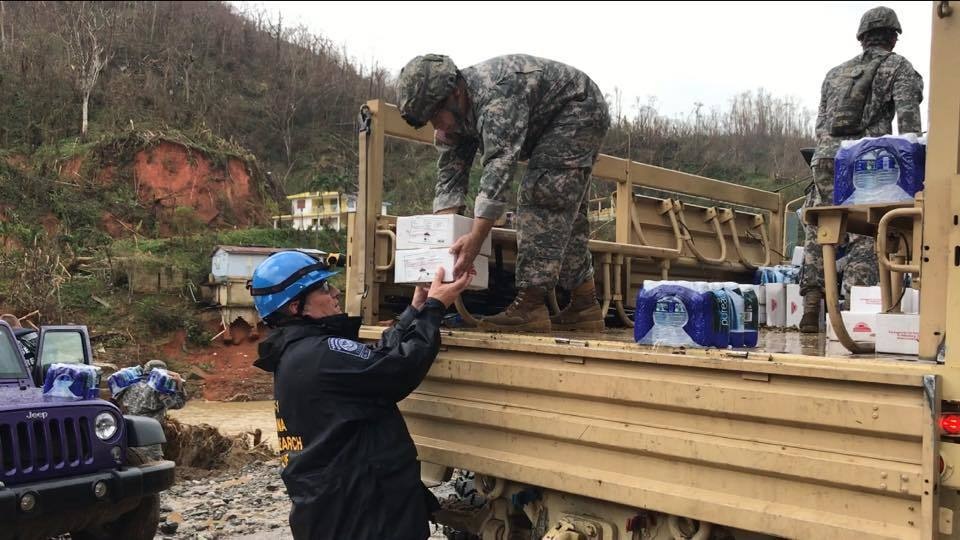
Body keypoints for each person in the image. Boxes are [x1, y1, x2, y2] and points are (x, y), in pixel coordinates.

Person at [250, 250, 474, 540]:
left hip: (336, 509)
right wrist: (435, 307)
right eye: (323, 288)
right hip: (363, 514)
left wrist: (415, 309)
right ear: (296, 307)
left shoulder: (298, 353)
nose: (335, 292)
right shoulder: (320, 354)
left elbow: (373, 359)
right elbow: (399, 369)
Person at [396, 53, 611, 333]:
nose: (437, 126)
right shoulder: (454, 114)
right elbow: (450, 176)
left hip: (578, 109)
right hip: (549, 121)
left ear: (456, 93)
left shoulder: (496, 98)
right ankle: (585, 306)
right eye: (429, 121)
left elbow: (499, 170)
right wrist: (442, 248)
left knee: (543, 195)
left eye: (437, 116)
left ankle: (531, 306)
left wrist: (475, 238)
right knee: (565, 210)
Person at [799, 5, 923, 333]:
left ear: (862, 38)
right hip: (866, 163)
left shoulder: (834, 74)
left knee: (822, 224)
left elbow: (822, 126)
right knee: (870, 231)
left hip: (825, 160)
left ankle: (812, 302)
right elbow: (910, 131)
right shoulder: (898, 67)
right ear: (894, 37)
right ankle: (854, 307)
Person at [113, 359, 187, 459]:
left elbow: (115, 401)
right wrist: (179, 385)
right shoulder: (159, 388)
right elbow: (178, 404)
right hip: (149, 440)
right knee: (154, 470)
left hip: (128, 437)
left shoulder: (130, 383)